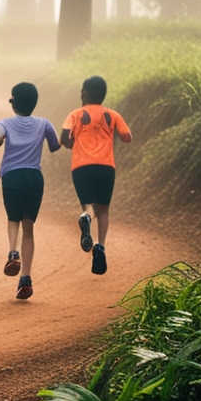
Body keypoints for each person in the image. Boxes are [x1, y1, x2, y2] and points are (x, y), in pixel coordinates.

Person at [0, 82, 59, 300]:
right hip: (34, 178)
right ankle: (26, 278)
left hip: (12, 177)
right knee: (29, 228)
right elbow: (55, 145)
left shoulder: (5, 123)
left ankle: (12, 251)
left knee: (13, 219)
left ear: (13, 103)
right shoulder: (44, 123)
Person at [61, 75, 132, 276]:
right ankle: (100, 246)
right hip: (106, 166)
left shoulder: (75, 114)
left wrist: (73, 143)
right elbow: (127, 137)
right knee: (104, 209)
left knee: (88, 204)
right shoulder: (112, 115)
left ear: (84, 93)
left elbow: (64, 138)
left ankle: (85, 216)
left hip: (81, 166)